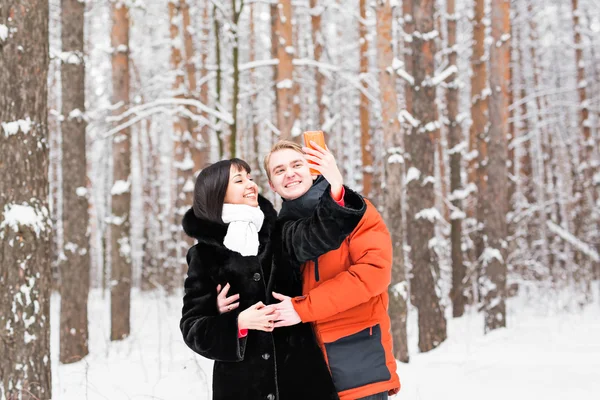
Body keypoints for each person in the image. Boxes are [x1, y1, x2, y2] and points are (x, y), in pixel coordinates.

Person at [180, 155, 367, 400]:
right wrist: (238, 322)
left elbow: (322, 234)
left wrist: (335, 187)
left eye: (249, 177)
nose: (250, 184)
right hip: (241, 387)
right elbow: (192, 328)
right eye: (239, 180)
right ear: (217, 193)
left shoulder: (278, 232)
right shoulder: (204, 255)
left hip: (301, 379)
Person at [264, 140, 401, 400]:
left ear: (313, 169)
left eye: (297, 164)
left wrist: (302, 308)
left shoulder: (354, 210)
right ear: (272, 185)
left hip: (358, 360)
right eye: (279, 170)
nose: (290, 173)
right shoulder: (277, 232)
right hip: (307, 372)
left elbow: (372, 275)